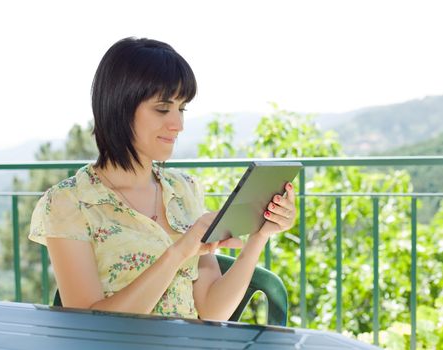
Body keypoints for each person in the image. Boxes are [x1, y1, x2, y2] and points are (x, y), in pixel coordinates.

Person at [28, 37, 296, 321]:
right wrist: (179, 252)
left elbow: (212, 311)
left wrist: (260, 234)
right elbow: (87, 325)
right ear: (120, 107)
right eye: (162, 109)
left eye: (181, 109)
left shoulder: (184, 190)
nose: (178, 125)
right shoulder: (70, 202)